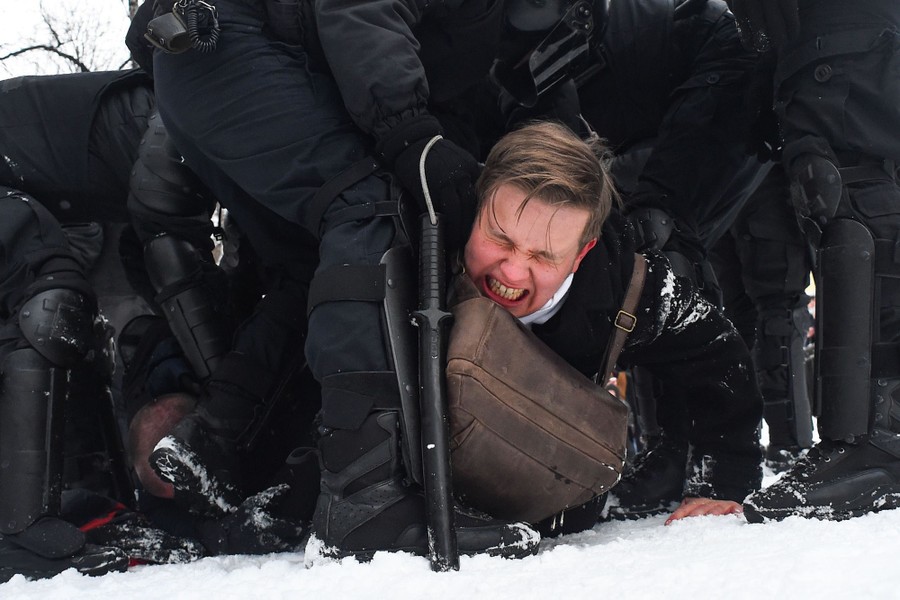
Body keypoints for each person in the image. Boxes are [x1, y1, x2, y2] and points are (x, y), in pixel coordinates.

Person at [133, 0, 542, 560]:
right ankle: (364, 501)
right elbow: (362, 6)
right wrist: (410, 132)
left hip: (211, 63)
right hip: (229, 45)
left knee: (317, 262)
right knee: (370, 209)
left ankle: (224, 439)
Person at [489, 0, 769, 516]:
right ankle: (667, 444)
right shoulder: (512, 60)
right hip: (636, 115)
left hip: (720, 71)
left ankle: (701, 455)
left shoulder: (548, 29)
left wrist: (654, 204)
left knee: (663, 242)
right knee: (630, 244)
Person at [458, 120, 763, 526]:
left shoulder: (629, 285)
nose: (512, 272)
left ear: (581, 255)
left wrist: (722, 482)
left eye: (543, 256)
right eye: (500, 239)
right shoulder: (422, 242)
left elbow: (720, 354)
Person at [723, 0, 900, 521]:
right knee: (844, 200)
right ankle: (864, 438)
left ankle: (877, 440)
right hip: (812, 42)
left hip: (844, 36)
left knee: (855, 202)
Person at [710, 164, 815, 473]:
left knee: (747, 317)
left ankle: (758, 448)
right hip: (762, 175)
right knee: (775, 312)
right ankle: (788, 448)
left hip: (724, 180)